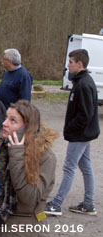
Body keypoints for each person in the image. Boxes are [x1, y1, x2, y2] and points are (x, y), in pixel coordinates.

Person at [0, 100, 57, 237]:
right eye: (6, 118)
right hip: (2, 229)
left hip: (28, 235)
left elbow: (29, 198)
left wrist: (16, 155)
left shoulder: (45, 156)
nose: (4, 123)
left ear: (27, 127)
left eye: (13, 120)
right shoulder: (4, 147)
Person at [45, 49, 100, 216]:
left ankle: (56, 204)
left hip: (80, 135)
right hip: (83, 133)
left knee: (69, 167)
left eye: (70, 62)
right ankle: (89, 204)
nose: (68, 65)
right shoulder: (82, 81)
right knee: (85, 166)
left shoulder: (83, 84)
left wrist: (70, 128)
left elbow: (86, 114)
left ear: (79, 64)